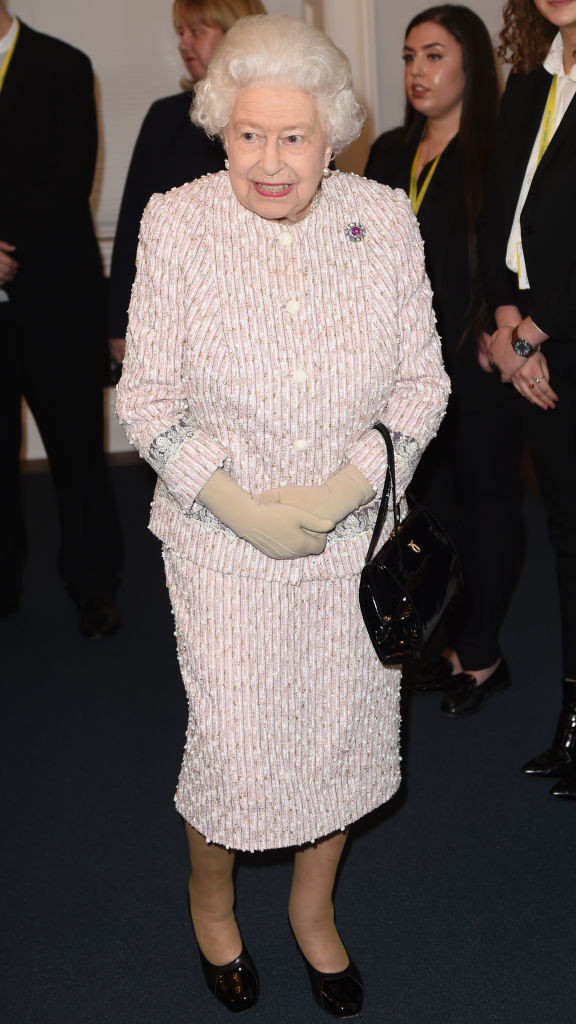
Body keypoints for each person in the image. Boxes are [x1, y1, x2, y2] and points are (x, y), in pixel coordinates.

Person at [116, 13, 449, 1016]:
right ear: (219, 127)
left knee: (340, 736)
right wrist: (236, 505)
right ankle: (210, 897)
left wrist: (348, 489)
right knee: (235, 740)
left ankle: (314, 908)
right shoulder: (178, 222)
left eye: (294, 136)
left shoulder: (383, 217)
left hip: (353, 539)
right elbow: (148, 402)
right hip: (223, 546)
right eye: (249, 134)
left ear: (333, 133)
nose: (271, 161)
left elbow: (422, 387)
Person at [365, 5, 524, 717]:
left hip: (475, 361)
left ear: (470, 64)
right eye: (408, 57)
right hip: (401, 365)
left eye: (434, 54)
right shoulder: (390, 150)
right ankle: (449, 639)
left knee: (489, 504)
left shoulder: (500, 148)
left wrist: (506, 332)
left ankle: (484, 654)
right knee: (432, 511)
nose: (417, 71)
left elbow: (514, 260)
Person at [478, 0, 576, 800]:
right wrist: (511, 327)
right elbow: (498, 221)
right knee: (567, 534)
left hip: (559, 333)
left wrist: (533, 332)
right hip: (532, 345)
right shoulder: (528, 84)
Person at [0, 3, 123, 637]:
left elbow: (67, 179)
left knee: (77, 450)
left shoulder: (63, 65)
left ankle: (93, 585)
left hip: (56, 296)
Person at [107, 0, 267, 371]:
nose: (183, 44)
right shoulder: (165, 117)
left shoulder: (284, 111)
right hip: (178, 326)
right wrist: (120, 325)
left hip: (263, 317)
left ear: (236, 35)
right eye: (181, 32)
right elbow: (135, 223)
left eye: (196, 31)